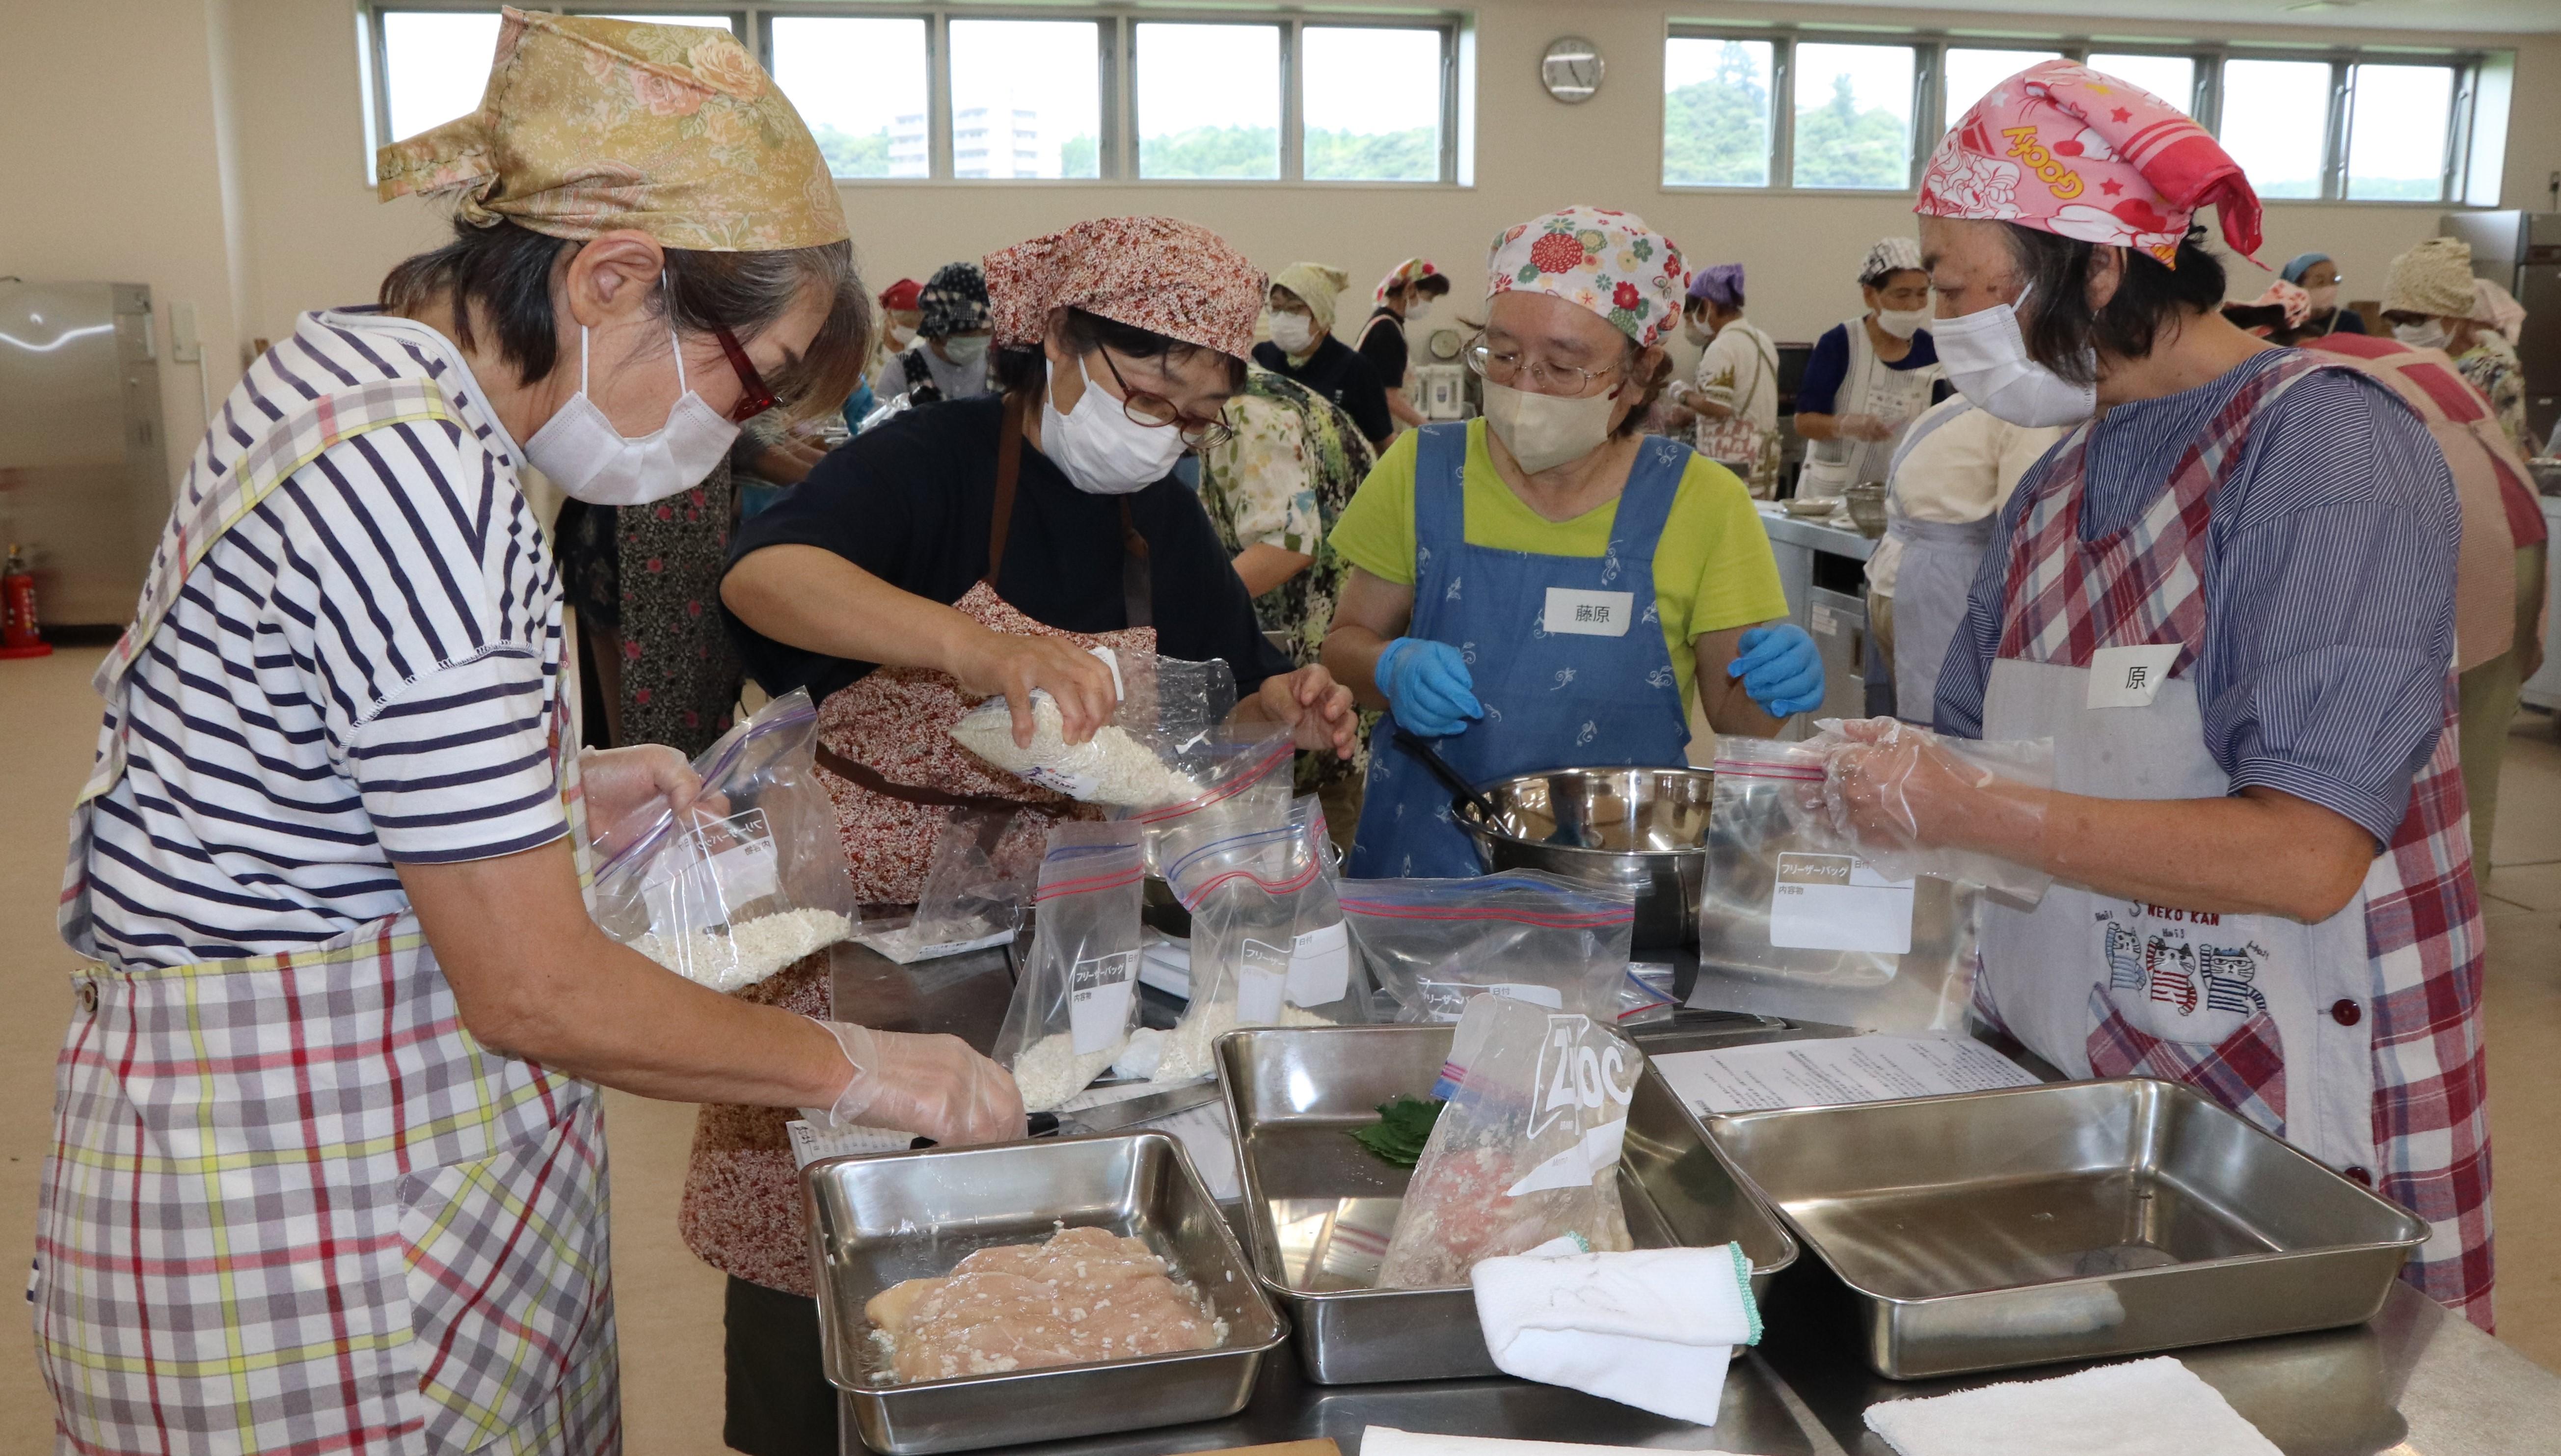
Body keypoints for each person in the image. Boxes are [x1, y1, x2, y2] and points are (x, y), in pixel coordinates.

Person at [34, 16, 1023, 1452]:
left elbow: (294, 767)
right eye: (749, 384)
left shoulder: (337, 382)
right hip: (317, 1251)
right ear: (614, 277)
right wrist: (862, 1067)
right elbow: (534, 988)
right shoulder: (419, 476)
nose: (728, 435)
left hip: (353, 1193)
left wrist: (546, 789)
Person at [1852, 58, 2489, 1325]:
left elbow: (2310, 853)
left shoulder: (2325, 450)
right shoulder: (2050, 488)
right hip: (2088, 1084)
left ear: (2097, 266)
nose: (1950, 324)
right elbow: (1982, 759)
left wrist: (1966, 808)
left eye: (1974, 289)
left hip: (2295, 1101)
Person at [713, 215, 1359, 1453]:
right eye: (1149, 387)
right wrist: (972, 644)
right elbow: (763, 576)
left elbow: (1230, 672)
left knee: (1026, 1252)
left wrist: (1283, 699)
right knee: (835, 1242)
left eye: (1198, 411)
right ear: (1054, 338)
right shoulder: (932, 459)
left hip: (1060, 929)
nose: (1167, 428)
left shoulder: (1155, 519)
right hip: (869, 930)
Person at [1322, 206, 1823, 878]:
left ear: (1639, 373)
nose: (1522, 388)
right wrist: (1387, 666)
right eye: (1502, 355)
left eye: (1562, 367)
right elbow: (1343, 646)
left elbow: (1738, 718)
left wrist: (1774, 686)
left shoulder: (1701, 502)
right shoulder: (1421, 470)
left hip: (1613, 878)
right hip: (1424, 873)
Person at [1198, 365, 1379, 836]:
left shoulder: (1242, 413)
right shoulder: (1287, 396)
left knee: (1307, 834)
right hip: (1348, 638)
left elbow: (1287, 546)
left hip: (1302, 665)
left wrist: (1189, 610)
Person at [1862, 395, 2063, 721]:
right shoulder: (2028, 412)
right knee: (1942, 738)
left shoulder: (1963, 403)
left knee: (1906, 733)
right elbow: (2023, 528)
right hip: (1941, 587)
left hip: (1893, 579)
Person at [1795, 237, 1944, 500]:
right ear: (1869, 295)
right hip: (1831, 495)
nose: (1914, 306)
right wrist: (1847, 425)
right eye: (1901, 295)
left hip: (1897, 494)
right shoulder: (1840, 344)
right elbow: (1804, 422)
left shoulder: (1932, 351)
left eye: (1922, 294)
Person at [2383, 237, 2531, 458]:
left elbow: (2502, 458)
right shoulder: (2400, 361)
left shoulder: (2490, 374)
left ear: (2457, 313)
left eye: (2416, 319)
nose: (2405, 329)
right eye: (2396, 320)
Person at [1664, 262, 1781, 498]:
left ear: (1707, 305)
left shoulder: (1722, 347)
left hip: (1734, 463)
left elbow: (1719, 408)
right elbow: (1741, 403)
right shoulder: (1763, 341)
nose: (1692, 325)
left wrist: (1682, 394)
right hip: (1764, 461)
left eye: (1692, 317)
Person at [1256, 261, 1396, 450]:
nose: (1282, 318)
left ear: (1322, 317)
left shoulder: (1356, 370)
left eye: (1294, 309)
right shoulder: (1262, 358)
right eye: (1276, 308)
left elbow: (1383, 442)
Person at [871, 258, 995, 406]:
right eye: (972, 331)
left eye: (987, 331)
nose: (981, 337)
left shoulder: (998, 369)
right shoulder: (903, 369)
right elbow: (878, 425)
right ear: (941, 330)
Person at [1360, 257, 1451, 431]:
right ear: (1410, 289)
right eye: (1429, 298)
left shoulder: (1385, 324)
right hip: (1379, 432)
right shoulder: (1386, 330)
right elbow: (1389, 397)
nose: (1429, 305)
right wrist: (1428, 427)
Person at [2279, 251, 2368, 337]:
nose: (2329, 287)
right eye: (2320, 282)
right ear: (2296, 286)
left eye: (2334, 280)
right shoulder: (2280, 322)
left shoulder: (2349, 321)